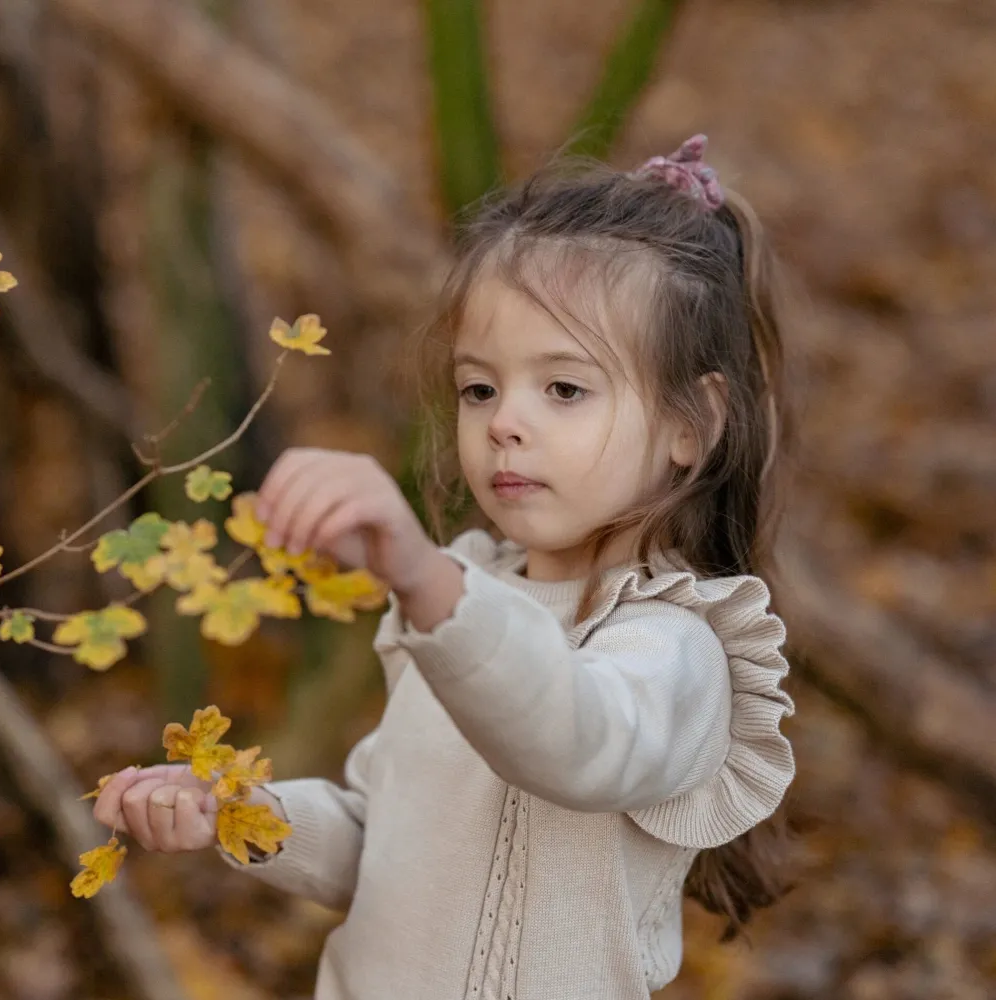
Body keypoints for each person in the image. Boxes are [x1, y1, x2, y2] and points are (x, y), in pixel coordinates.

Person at [93, 134, 798, 1000]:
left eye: (564, 389)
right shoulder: (461, 605)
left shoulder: (676, 651)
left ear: (693, 425)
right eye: (480, 389)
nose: (505, 422)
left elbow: (574, 741)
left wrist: (425, 580)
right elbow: (379, 847)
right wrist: (235, 811)